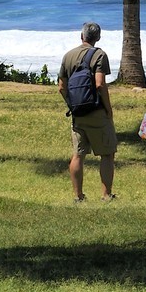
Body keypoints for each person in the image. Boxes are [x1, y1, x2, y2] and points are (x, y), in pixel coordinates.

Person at [59, 22, 116, 203]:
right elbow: (100, 84)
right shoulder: (99, 55)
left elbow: (61, 87)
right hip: (96, 110)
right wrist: (108, 109)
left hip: (78, 114)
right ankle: (106, 195)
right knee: (107, 153)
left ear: (81, 36)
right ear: (98, 37)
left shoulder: (68, 56)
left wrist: (73, 105)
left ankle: (78, 196)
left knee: (78, 155)